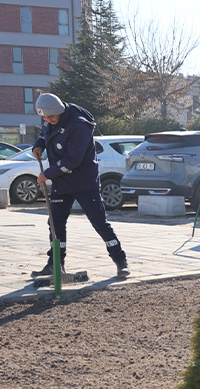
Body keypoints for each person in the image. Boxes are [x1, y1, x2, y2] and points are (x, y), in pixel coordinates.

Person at [30, 93, 130, 278]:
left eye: (51, 117)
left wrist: (47, 174)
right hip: (61, 182)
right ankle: (55, 264)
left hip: (84, 181)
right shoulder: (49, 119)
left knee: (99, 221)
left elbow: (73, 159)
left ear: (59, 110)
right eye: (44, 117)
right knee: (55, 223)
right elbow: (44, 135)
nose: (48, 120)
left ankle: (120, 261)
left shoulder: (79, 125)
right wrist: (39, 145)